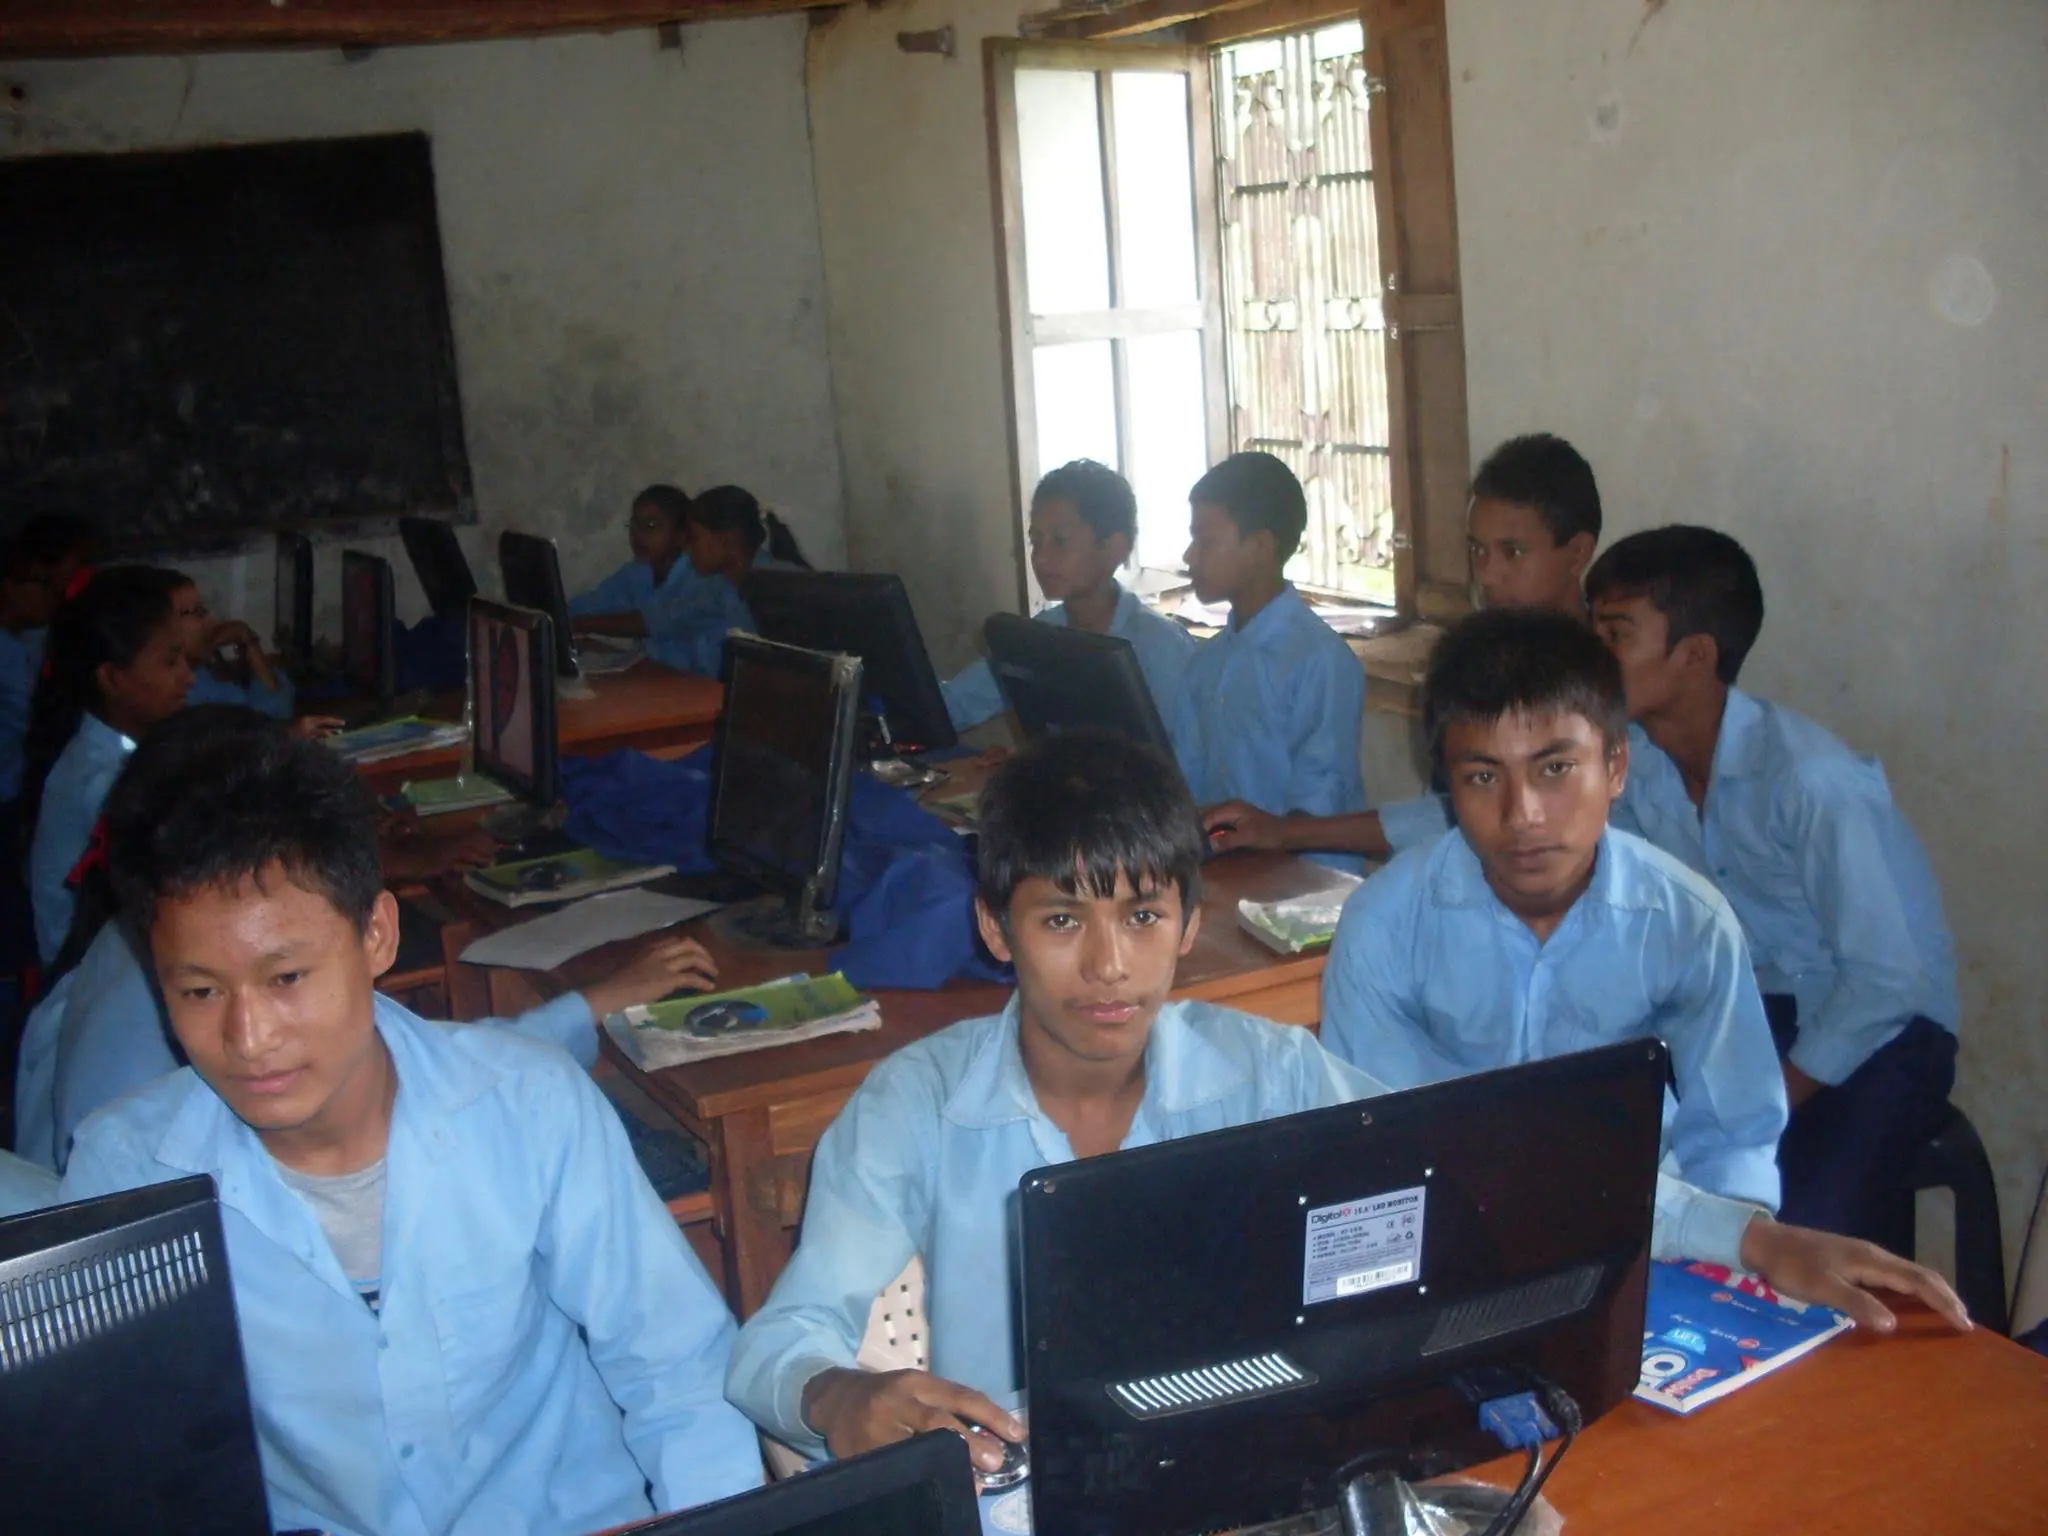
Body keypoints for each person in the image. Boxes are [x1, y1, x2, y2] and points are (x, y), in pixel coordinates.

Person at [724, 732, 1966, 1472]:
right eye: (1061, 920)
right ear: (998, 927)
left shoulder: (1262, 1072)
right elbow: (776, 1345)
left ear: (1185, 926)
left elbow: (1487, 1171)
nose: (1108, 968)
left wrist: (1750, 1235)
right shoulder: (912, 1108)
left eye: (1143, 918)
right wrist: (843, 1397)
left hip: (1266, 1477)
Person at [57, 723, 762, 1534]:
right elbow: (131, 1459)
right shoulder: (127, 1172)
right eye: (201, 993)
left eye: (287, 978)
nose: (250, 1039)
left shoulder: (529, 1105)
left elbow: (676, 1368)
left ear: (377, 936)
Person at [12, 706, 723, 1174]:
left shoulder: (142, 933)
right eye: (199, 992)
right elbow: (444, 1081)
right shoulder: (136, 1145)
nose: (249, 1033)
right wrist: (592, 1003)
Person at [1319, 608, 1787, 1207]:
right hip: (1445, 1215)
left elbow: (1734, 1139)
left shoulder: (1687, 923)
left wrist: (1719, 1247)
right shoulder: (1385, 925)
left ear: (1615, 766)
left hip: (1638, 1217)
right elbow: (1370, 1134)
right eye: (1484, 777)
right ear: (1448, 787)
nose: (1524, 815)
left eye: (1556, 768)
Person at [1587, 526, 1960, 1243]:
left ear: (1694, 656)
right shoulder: (1641, 770)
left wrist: (1764, 1099)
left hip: (1885, 1034)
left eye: (1616, 636)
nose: (1593, 658)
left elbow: (1889, 981)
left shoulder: (1809, 781)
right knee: (1630, 1186)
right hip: (1757, 1022)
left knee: (1795, 1239)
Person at [1204, 433, 1602, 863]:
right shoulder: (1479, 664)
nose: (1488, 575)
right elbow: (1448, 815)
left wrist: (1289, 832)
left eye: (1513, 552)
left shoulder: (1611, 678)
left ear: (1577, 553)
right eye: (1478, 550)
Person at [1168, 453, 1366, 868]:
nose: (1190, 556)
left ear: (1260, 547)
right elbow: (1185, 788)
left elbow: (1318, 806)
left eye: (1205, 541)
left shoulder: (1320, 660)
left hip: (1311, 889)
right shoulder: (1206, 664)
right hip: (1228, 875)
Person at [941, 460, 1195, 733]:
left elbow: (1182, 764)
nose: (1040, 558)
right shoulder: (1039, 636)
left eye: (1060, 541)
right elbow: (959, 702)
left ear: (1114, 548)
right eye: (1035, 542)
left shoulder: (1162, 648)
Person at [24, 566, 193, 965]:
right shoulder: (106, 781)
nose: (188, 677)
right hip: (86, 979)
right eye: (170, 663)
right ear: (113, 678)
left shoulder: (116, 749)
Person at [569, 483, 729, 673]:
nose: (638, 535)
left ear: (681, 535)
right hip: (660, 675)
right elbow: (592, 603)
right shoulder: (639, 571)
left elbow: (653, 622)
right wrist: (557, 616)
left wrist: (579, 624)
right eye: (634, 525)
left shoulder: (702, 577)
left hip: (706, 684)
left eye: (651, 526)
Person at [170, 571, 297, 719]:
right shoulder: (181, 692)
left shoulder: (200, 672)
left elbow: (281, 693)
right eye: (198, 612)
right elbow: (272, 716)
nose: (211, 621)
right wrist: (249, 643)